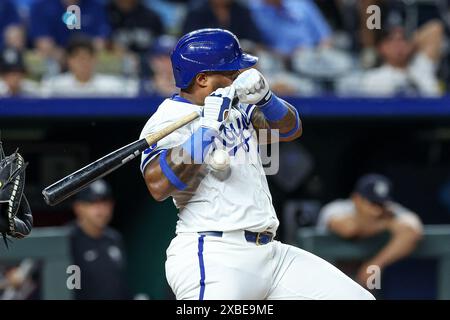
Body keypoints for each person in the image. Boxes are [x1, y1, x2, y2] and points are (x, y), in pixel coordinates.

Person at [139, 28, 374, 300]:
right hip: (214, 254)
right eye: (230, 73)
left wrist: (267, 99)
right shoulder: (167, 119)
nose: (238, 77)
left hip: (271, 254)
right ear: (202, 79)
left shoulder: (237, 106)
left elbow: (289, 129)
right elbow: (158, 185)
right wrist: (206, 130)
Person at [317, 174, 423, 287]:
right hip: (325, 278)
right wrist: (385, 224)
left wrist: (376, 264)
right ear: (356, 199)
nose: (377, 211)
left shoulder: (389, 211)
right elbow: (349, 229)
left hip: (365, 277)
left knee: (371, 286)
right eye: (372, 203)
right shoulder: (337, 207)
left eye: (381, 204)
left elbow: (413, 230)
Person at [68, 179, 131, 300]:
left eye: (105, 202)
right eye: (93, 202)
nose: (101, 209)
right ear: (78, 207)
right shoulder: (68, 239)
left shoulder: (114, 238)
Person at [41, 37, 137, 97]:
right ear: (69, 61)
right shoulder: (55, 86)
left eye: (87, 58)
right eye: (78, 58)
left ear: (95, 59)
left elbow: (132, 90)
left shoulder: (113, 87)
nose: (83, 63)